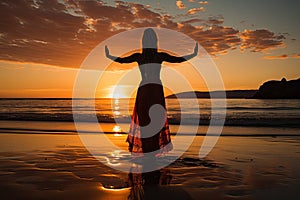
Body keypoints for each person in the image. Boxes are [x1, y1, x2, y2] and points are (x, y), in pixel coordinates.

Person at [105, 28, 198, 156]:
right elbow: (178, 59)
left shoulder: (140, 56)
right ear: (155, 42)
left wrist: (109, 56)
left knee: (145, 121)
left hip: (144, 89)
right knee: (156, 121)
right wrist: (193, 54)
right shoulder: (159, 56)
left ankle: (147, 150)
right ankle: (152, 150)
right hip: (155, 90)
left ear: (143, 41)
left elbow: (121, 60)